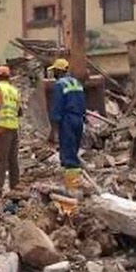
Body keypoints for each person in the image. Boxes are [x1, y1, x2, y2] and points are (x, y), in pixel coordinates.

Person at [47, 58, 86, 194]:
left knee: (68, 154)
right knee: (73, 150)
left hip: (67, 120)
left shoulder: (60, 85)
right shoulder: (77, 83)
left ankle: (72, 189)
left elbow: (56, 109)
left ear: (58, 71)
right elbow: (83, 103)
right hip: (79, 119)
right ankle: (74, 184)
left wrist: (54, 131)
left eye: (55, 71)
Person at [0, 66, 22, 197]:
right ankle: (15, 187)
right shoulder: (15, 90)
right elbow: (19, 111)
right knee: (13, 159)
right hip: (13, 127)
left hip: (1, 127)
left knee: (0, 160)